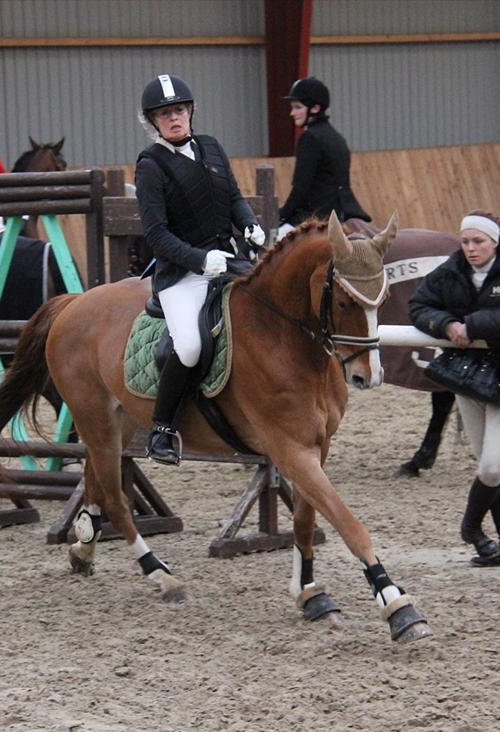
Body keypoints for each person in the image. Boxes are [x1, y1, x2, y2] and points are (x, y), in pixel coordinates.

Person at [134, 73, 265, 465]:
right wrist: (198, 259)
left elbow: (234, 198)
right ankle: (162, 429)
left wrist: (250, 224)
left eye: (179, 110)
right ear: (153, 122)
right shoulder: (150, 166)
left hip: (228, 260)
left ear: (190, 111)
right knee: (190, 345)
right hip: (182, 273)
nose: (174, 118)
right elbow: (156, 234)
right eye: (164, 114)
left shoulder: (211, 147)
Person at [409, 210, 500, 566]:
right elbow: (418, 306)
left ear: (494, 242)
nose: (470, 248)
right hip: (467, 382)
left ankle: (470, 527)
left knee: (494, 467)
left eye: (478, 241)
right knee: (488, 464)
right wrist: (447, 324)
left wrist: (471, 325)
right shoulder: (450, 271)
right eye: (465, 242)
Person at [275, 77, 371, 240]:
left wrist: (280, 216)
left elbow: (301, 188)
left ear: (315, 108)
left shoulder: (310, 138)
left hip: (316, 216)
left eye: (297, 107)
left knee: (268, 247)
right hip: (341, 213)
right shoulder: (337, 138)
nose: (292, 113)